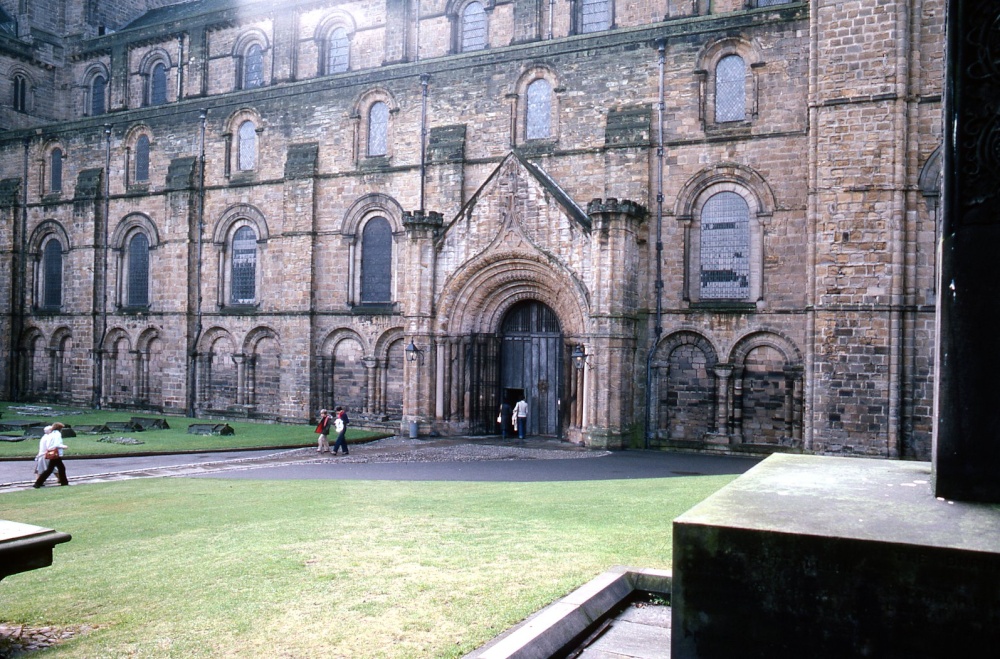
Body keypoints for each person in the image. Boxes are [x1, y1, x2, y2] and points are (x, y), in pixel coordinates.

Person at [34, 422, 69, 488]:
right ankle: (38, 483)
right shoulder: (57, 434)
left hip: (51, 453)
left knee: (53, 469)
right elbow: (56, 444)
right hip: (55, 454)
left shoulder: (50, 435)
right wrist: (64, 446)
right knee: (55, 469)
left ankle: (38, 483)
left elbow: (49, 445)